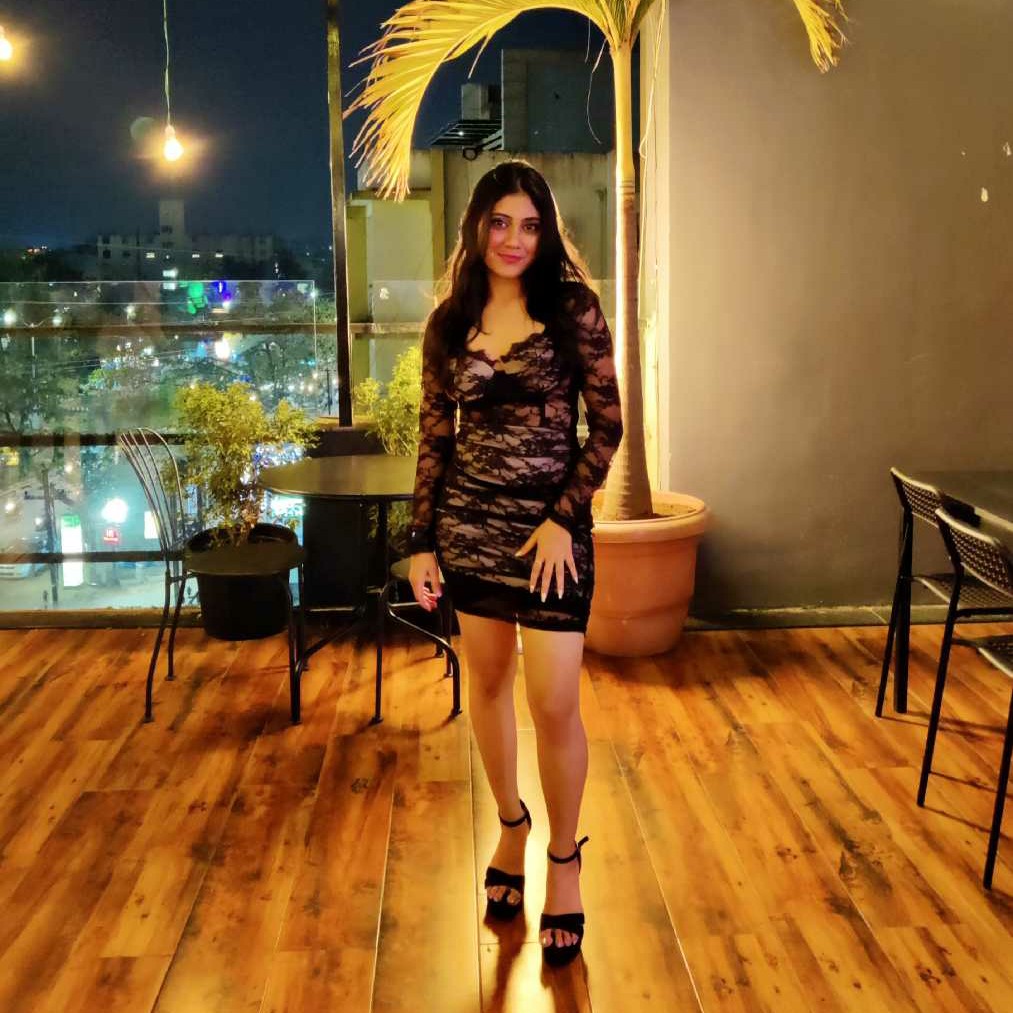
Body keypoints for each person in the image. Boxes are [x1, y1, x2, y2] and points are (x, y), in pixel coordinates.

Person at [407, 160, 623, 966]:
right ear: (475, 226)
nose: (513, 239)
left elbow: (607, 426)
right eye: (499, 222)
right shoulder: (447, 324)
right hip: (469, 529)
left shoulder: (572, 309)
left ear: (546, 233)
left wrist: (565, 518)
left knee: (554, 700)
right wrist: (419, 540)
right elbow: (434, 439)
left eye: (529, 225)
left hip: (550, 538)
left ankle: (564, 859)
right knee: (489, 684)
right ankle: (510, 825)